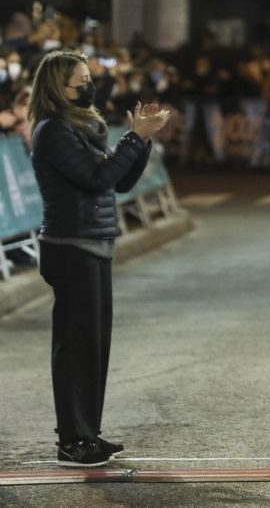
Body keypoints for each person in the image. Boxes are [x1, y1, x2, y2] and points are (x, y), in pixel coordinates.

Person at [28, 51, 171, 467]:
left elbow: (120, 181)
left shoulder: (81, 129)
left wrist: (139, 139)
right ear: (58, 87)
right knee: (75, 349)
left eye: (89, 77)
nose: (90, 85)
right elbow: (96, 178)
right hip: (70, 247)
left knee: (93, 347)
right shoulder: (53, 131)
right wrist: (132, 138)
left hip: (93, 245)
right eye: (81, 81)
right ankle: (71, 441)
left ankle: (88, 434)